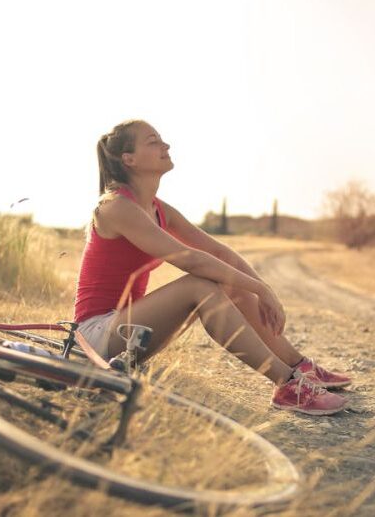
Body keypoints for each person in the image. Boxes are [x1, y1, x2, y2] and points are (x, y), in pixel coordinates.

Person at [74, 119, 351, 416]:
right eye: (153, 141)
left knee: (230, 282)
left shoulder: (158, 208)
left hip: (131, 334)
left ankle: (299, 367)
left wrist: (260, 289)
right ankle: (287, 384)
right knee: (200, 285)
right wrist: (259, 288)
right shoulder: (115, 206)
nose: (165, 145)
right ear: (128, 159)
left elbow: (217, 251)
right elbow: (189, 258)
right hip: (95, 337)